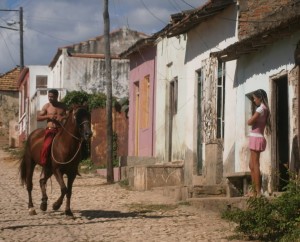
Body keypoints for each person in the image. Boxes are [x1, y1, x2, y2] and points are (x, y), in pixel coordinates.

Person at [247, 89, 271, 197]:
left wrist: (251, 119)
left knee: (255, 164)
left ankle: (257, 191)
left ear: (260, 98)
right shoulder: (264, 109)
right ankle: (254, 190)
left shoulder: (261, 109)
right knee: (251, 165)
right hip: (256, 137)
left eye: (254, 98)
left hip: (256, 138)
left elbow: (250, 121)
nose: (254, 100)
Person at [37, 89, 68, 166]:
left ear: (57, 96)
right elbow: (38, 118)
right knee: (46, 145)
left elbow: (68, 116)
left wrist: (62, 117)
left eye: (52, 97)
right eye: (49, 96)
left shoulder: (63, 106)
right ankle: (44, 164)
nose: (50, 98)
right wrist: (49, 116)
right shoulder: (47, 106)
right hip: (51, 130)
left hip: (61, 130)